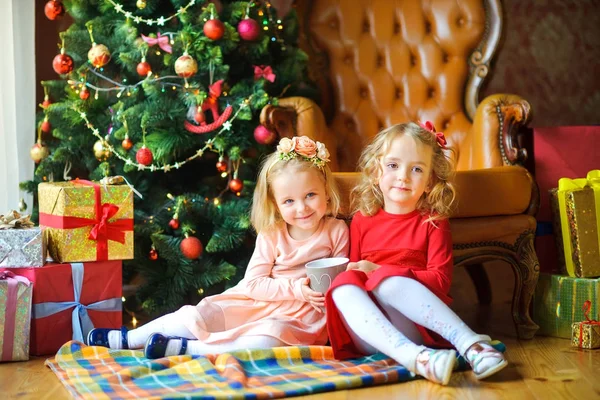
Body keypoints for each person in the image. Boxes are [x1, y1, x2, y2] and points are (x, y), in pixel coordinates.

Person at [88, 136, 349, 358]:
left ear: (326, 191)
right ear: (275, 204)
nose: (302, 208)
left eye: (310, 196)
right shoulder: (272, 234)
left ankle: (189, 349)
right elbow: (254, 284)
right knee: (201, 314)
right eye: (289, 201)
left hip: (303, 315)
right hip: (258, 300)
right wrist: (295, 288)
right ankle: (128, 339)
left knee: (269, 338)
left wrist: (314, 296)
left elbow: (342, 280)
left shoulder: (336, 231)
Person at [325, 122, 507, 385]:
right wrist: (362, 274)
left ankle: (471, 346)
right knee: (342, 283)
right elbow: (355, 275)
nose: (403, 176)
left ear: (430, 179)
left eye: (417, 169)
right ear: (376, 171)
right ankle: (418, 359)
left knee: (388, 283)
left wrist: (380, 273)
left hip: (416, 326)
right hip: (369, 332)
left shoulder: (433, 222)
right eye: (393, 165)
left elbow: (441, 282)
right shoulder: (362, 220)